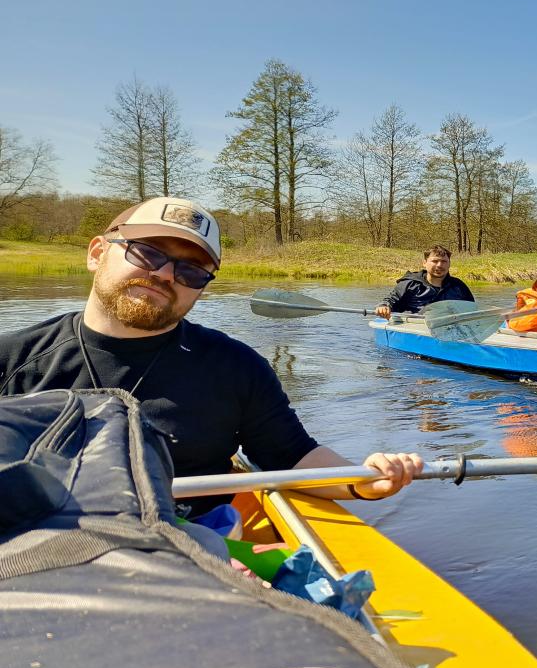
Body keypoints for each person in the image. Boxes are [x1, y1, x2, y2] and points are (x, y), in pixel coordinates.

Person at [0, 197, 422, 525]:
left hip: (188, 546)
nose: (166, 275)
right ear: (97, 253)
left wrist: (366, 481)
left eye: (192, 271)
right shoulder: (13, 359)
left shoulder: (236, 368)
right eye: (147, 253)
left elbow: (292, 457)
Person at [374, 245, 474, 318]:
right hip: (414, 327)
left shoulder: (459, 286)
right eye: (435, 261)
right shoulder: (410, 283)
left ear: (449, 264)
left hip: (449, 329)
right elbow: (390, 300)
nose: (439, 265)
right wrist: (384, 306)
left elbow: (473, 310)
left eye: (444, 261)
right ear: (424, 263)